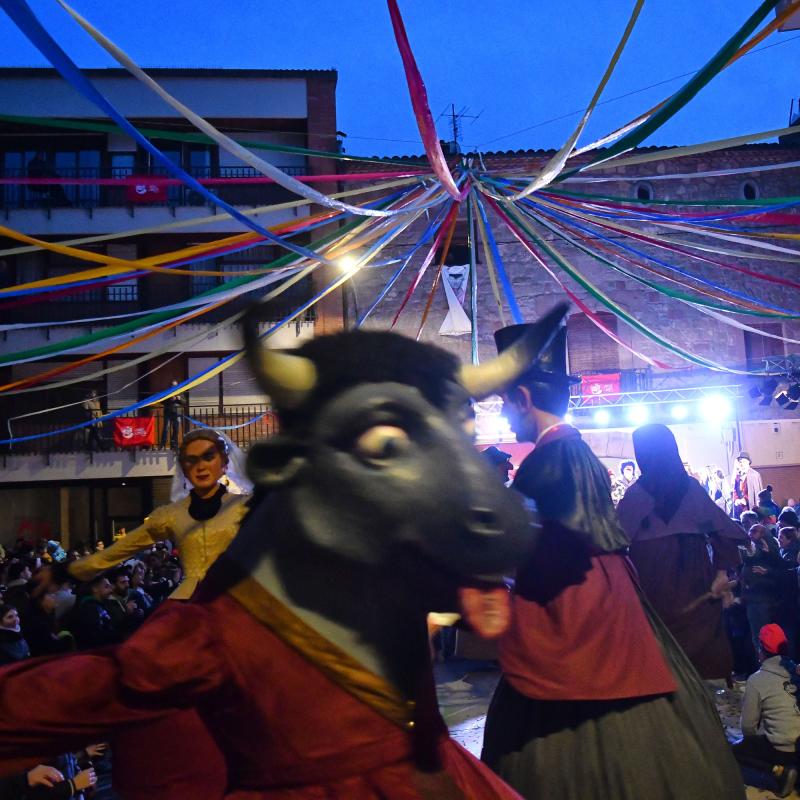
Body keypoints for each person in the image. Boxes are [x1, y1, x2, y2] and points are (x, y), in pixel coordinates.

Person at [481, 318, 745, 800]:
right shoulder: (570, 452)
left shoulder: (553, 457)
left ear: (522, 399)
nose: (505, 411)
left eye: (504, 400)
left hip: (576, 604)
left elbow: (546, 539)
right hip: (610, 596)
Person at [617, 424, 746, 680]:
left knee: (660, 653)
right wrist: (721, 572)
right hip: (692, 580)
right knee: (699, 652)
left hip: (652, 582)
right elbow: (724, 532)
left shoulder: (635, 495)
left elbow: (613, 543)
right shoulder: (690, 489)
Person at [732, 623, 800, 797]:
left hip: (782, 749)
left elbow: (748, 727)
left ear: (760, 648)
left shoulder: (757, 680)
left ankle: (779, 771)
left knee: (734, 749)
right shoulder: (796, 670)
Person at [741, 524, 788, 657]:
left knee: (761, 637)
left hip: (760, 601)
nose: (750, 534)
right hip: (758, 600)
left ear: (762, 536)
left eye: (754, 532)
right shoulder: (763, 551)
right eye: (750, 530)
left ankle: (766, 669)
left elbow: (752, 558)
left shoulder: (764, 552)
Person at [732, 451, 765, 521]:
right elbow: (735, 489)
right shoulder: (737, 475)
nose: (741, 464)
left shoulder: (754, 475)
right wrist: (736, 499)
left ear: (748, 462)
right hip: (739, 508)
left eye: (743, 461)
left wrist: (745, 499)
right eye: (740, 462)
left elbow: (755, 492)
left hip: (749, 506)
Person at [159, 381, 186, 450]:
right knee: (166, 429)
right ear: (170, 386)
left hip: (177, 413)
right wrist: (169, 399)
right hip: (168, 412)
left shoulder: (180, 392)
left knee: (176, 429)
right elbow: (161, 401)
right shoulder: (167, 392)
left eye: (175, 385)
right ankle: (163, 444)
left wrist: (179, 399)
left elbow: (184, 402)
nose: (174, 387)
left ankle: (174, 444)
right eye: (173, 385)